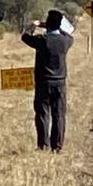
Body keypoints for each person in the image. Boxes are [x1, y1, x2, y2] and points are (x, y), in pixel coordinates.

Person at [21, 9, 74, 153]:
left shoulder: (42, 41)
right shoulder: (65, 41)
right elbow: (68, 34)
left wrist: (34, 25)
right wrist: (52, 26)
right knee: (59, 115)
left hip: (44, 82)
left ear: (48, 25)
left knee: (43, 113)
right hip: (60, 82)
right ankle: (57, 146)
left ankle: (43, 145)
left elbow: (25, 37)